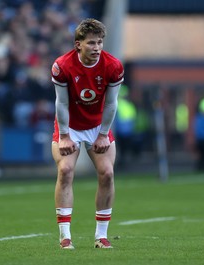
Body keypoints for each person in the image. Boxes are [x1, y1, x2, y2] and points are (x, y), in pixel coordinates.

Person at [51, 18, 124, 249]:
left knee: (107, 173)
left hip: (97, 125)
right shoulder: (62, 66)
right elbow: (61, 103)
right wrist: (64, 135)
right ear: (78, 45)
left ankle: (101, 236)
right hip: (69, 124)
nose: (97, 48)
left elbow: (112, 104)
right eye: (91, 43)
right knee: (66, 170)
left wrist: (103, 134)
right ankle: (65, 237)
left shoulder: (113, 66)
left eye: (100, 42)